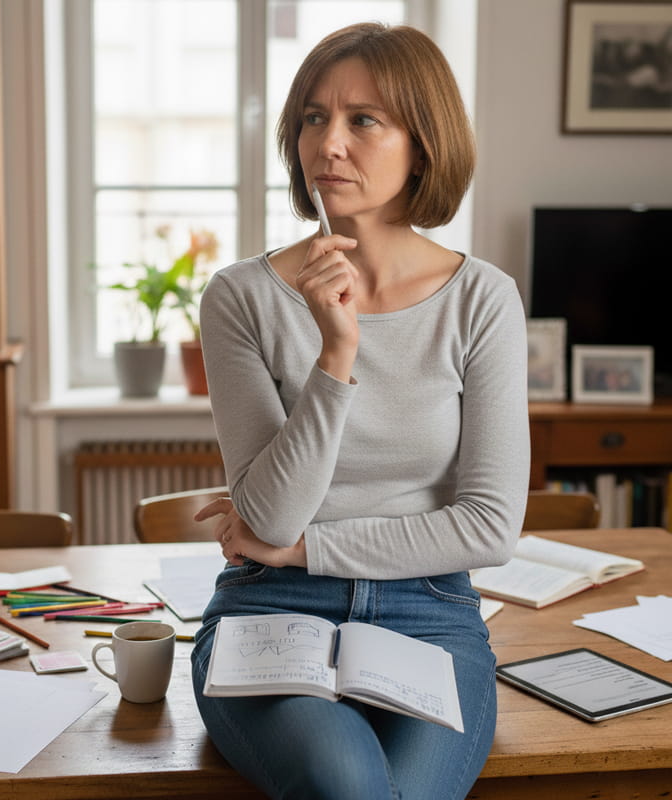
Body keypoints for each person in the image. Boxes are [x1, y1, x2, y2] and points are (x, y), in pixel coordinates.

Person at [190, 21, 530, 800]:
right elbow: (270, 517)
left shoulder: (483, 300)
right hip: (270, 605)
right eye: (314, 117)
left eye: (363, 120)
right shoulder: (241, 298)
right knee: (343, 780)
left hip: (430, 608)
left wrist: (308, 548)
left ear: (424, 145)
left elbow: (490, 528)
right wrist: (336, 352)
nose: (328, 143)